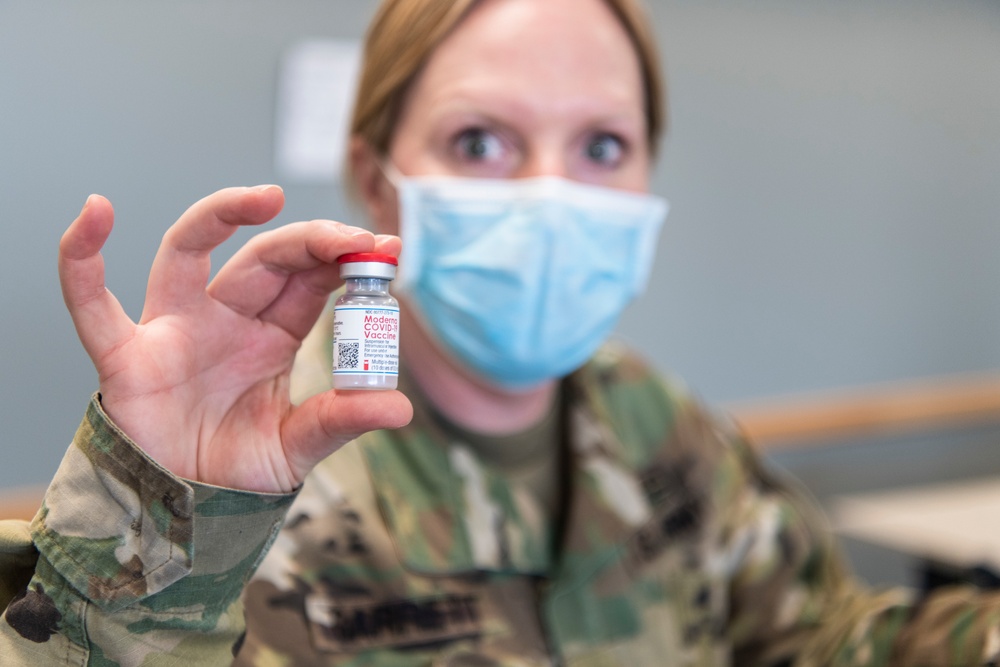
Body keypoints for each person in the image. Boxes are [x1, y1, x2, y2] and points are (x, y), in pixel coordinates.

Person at [2, 0, 1000, 664]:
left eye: (603, 145)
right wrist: (158, 528)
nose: (549, 195)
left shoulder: (655, 423)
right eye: (480, 141)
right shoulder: (233, 489)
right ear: (375, 176)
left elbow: (827, 640)